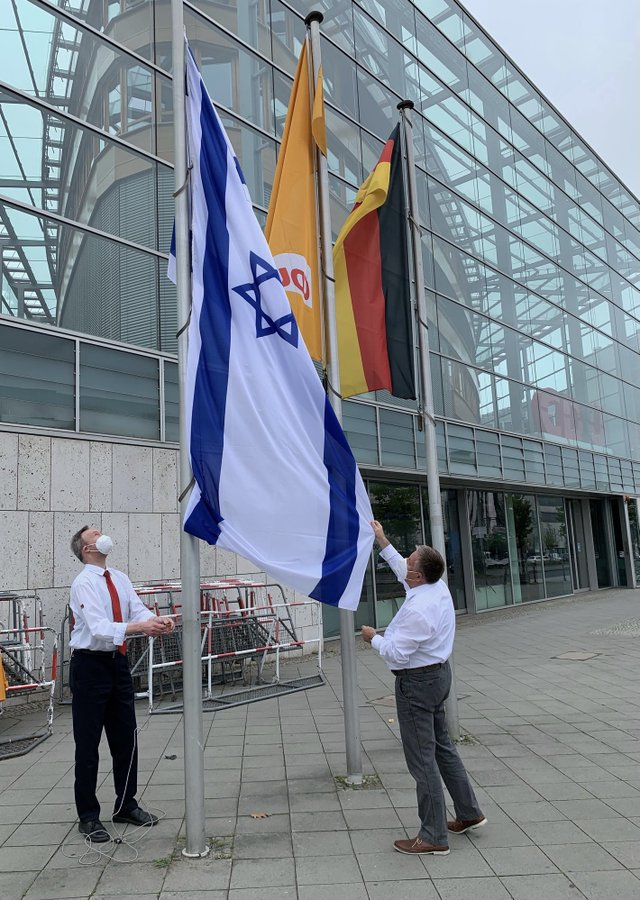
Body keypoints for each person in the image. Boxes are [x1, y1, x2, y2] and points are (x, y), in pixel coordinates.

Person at [361, 520, 486, 856]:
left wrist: (375, 639)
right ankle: (469, 813)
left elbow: (398, 652)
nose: (407, 562)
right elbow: (400, 564)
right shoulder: (434, 586)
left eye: (411, 560)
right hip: (438, 676)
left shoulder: (418, 608)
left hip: (417, 683)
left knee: (422, 760)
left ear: (417, 576)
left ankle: (433, 836)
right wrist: (381, 539)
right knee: (443, 747)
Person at [69, 525, 175, 843]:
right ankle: (88, 816)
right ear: (87, 548)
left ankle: (126, 805)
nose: (103, 535)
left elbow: (136, 608)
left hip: (117, 664)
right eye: (95, 534)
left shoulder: (118, 577)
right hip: (90, 666)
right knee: (88, 745)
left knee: (126, 739)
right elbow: (100, 628)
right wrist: (140, 626)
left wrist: (154, 620)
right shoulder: (84, 582)